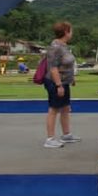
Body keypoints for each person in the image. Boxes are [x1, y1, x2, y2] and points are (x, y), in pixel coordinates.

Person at [42, 21, 80, 149]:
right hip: (55, 82)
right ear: (66, 32)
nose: (72, 33)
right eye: (71, 30)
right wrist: (59, 85)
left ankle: (66, 134)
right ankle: (50, 138)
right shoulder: (56, 47)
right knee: (54, 109)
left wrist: (71, 78)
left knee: (65, 107)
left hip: (64, 81)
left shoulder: (64, 46)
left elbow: (66, 64)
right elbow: (53, 68)